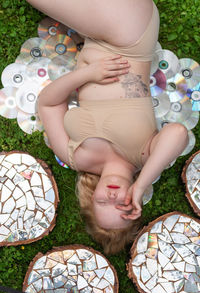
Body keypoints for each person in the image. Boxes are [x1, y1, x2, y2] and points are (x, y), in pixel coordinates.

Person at [26, 0, 189, 254]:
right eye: (122, 207)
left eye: (103, 204)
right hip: (129, 37)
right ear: (135, 203)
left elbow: (47, 105)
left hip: (97, 36)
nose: (112, 199)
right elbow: (178, 134)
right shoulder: (145, 156)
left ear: (91, 200)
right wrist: (140, 184)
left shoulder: (76, 156)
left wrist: (88, 75)